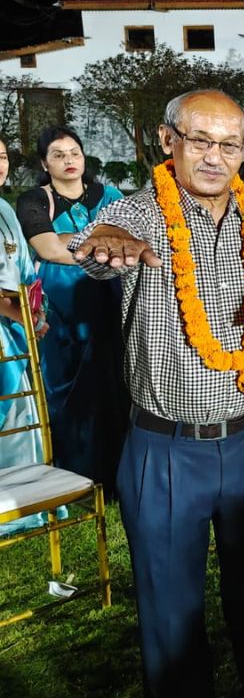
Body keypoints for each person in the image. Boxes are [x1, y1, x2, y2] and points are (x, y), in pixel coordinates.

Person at [68, 89, 244, 697]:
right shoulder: (140, 215)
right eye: (200, 140)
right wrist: (107, 244)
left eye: (229, 144)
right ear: (167, 140)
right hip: (166, 450)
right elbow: (98, 246)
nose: (213, 157)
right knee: (171, 613)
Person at [15, 126, 129, 486]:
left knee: (114, 379)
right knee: (65, 383)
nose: (69, 160)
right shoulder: (33, 199)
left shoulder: (109, 195)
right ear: (44, 164)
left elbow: (127, 241)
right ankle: (73, 474)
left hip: (110, 299)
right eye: (58, 155)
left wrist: (73, 242)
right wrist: (100, 242)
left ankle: (118, 472)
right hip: (61, 310)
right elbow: (48, 248)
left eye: (74, 153)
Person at [0, 135, 48, 536]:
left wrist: (36, 309)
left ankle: (25, 503)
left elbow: (27, 270)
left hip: (16, 327)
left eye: (1, 156)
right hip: (6, 326)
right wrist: (18, 315)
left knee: (23, 412)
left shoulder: (5, 209)